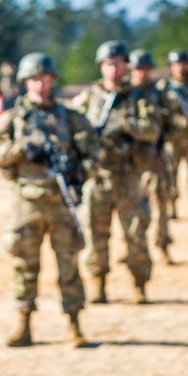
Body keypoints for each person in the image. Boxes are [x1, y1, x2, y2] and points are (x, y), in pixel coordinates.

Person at [0, 52, 98, 348]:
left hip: (61, 202)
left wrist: (76, 174)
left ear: (52, 80)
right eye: (34, 79)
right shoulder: (13, 119)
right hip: (27, 203)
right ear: (25, 82)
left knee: (69, 266)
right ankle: (24, 325)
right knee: (25, 266)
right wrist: (23, 148)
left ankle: (75, 325)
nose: (40, 84)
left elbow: (94, 156)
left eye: (44, 78)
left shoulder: (71, 119)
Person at [70, 40, 160, 304]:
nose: (114, 69)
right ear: (101, 67)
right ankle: (98, 284)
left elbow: (152, 129)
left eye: (119, 63)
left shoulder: (138, 97)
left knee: (136, 234)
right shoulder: (88, 98)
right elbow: (72, 133)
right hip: (97, 178)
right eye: (109, 64)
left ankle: (139, 284)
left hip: (129, 178)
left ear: (126, 66)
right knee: (96, 235)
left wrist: (127, 124)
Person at [128, 49, 173, 265]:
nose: (142, 73)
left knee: (160, 202)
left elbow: (170, 120)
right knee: (131, 206)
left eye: (146, 69)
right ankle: (131, 247)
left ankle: (162, 243)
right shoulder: (124, 93)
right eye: (138, 69)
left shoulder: (159, 92)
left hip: (154, 157)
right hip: (128, 160)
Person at [156, 49, 188, 218]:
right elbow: (157, 111)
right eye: (177, 64)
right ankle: (172, 208)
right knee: (170, 174)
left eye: (184, 64)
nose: (180, 67)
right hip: (172, 139)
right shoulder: (163, 87)